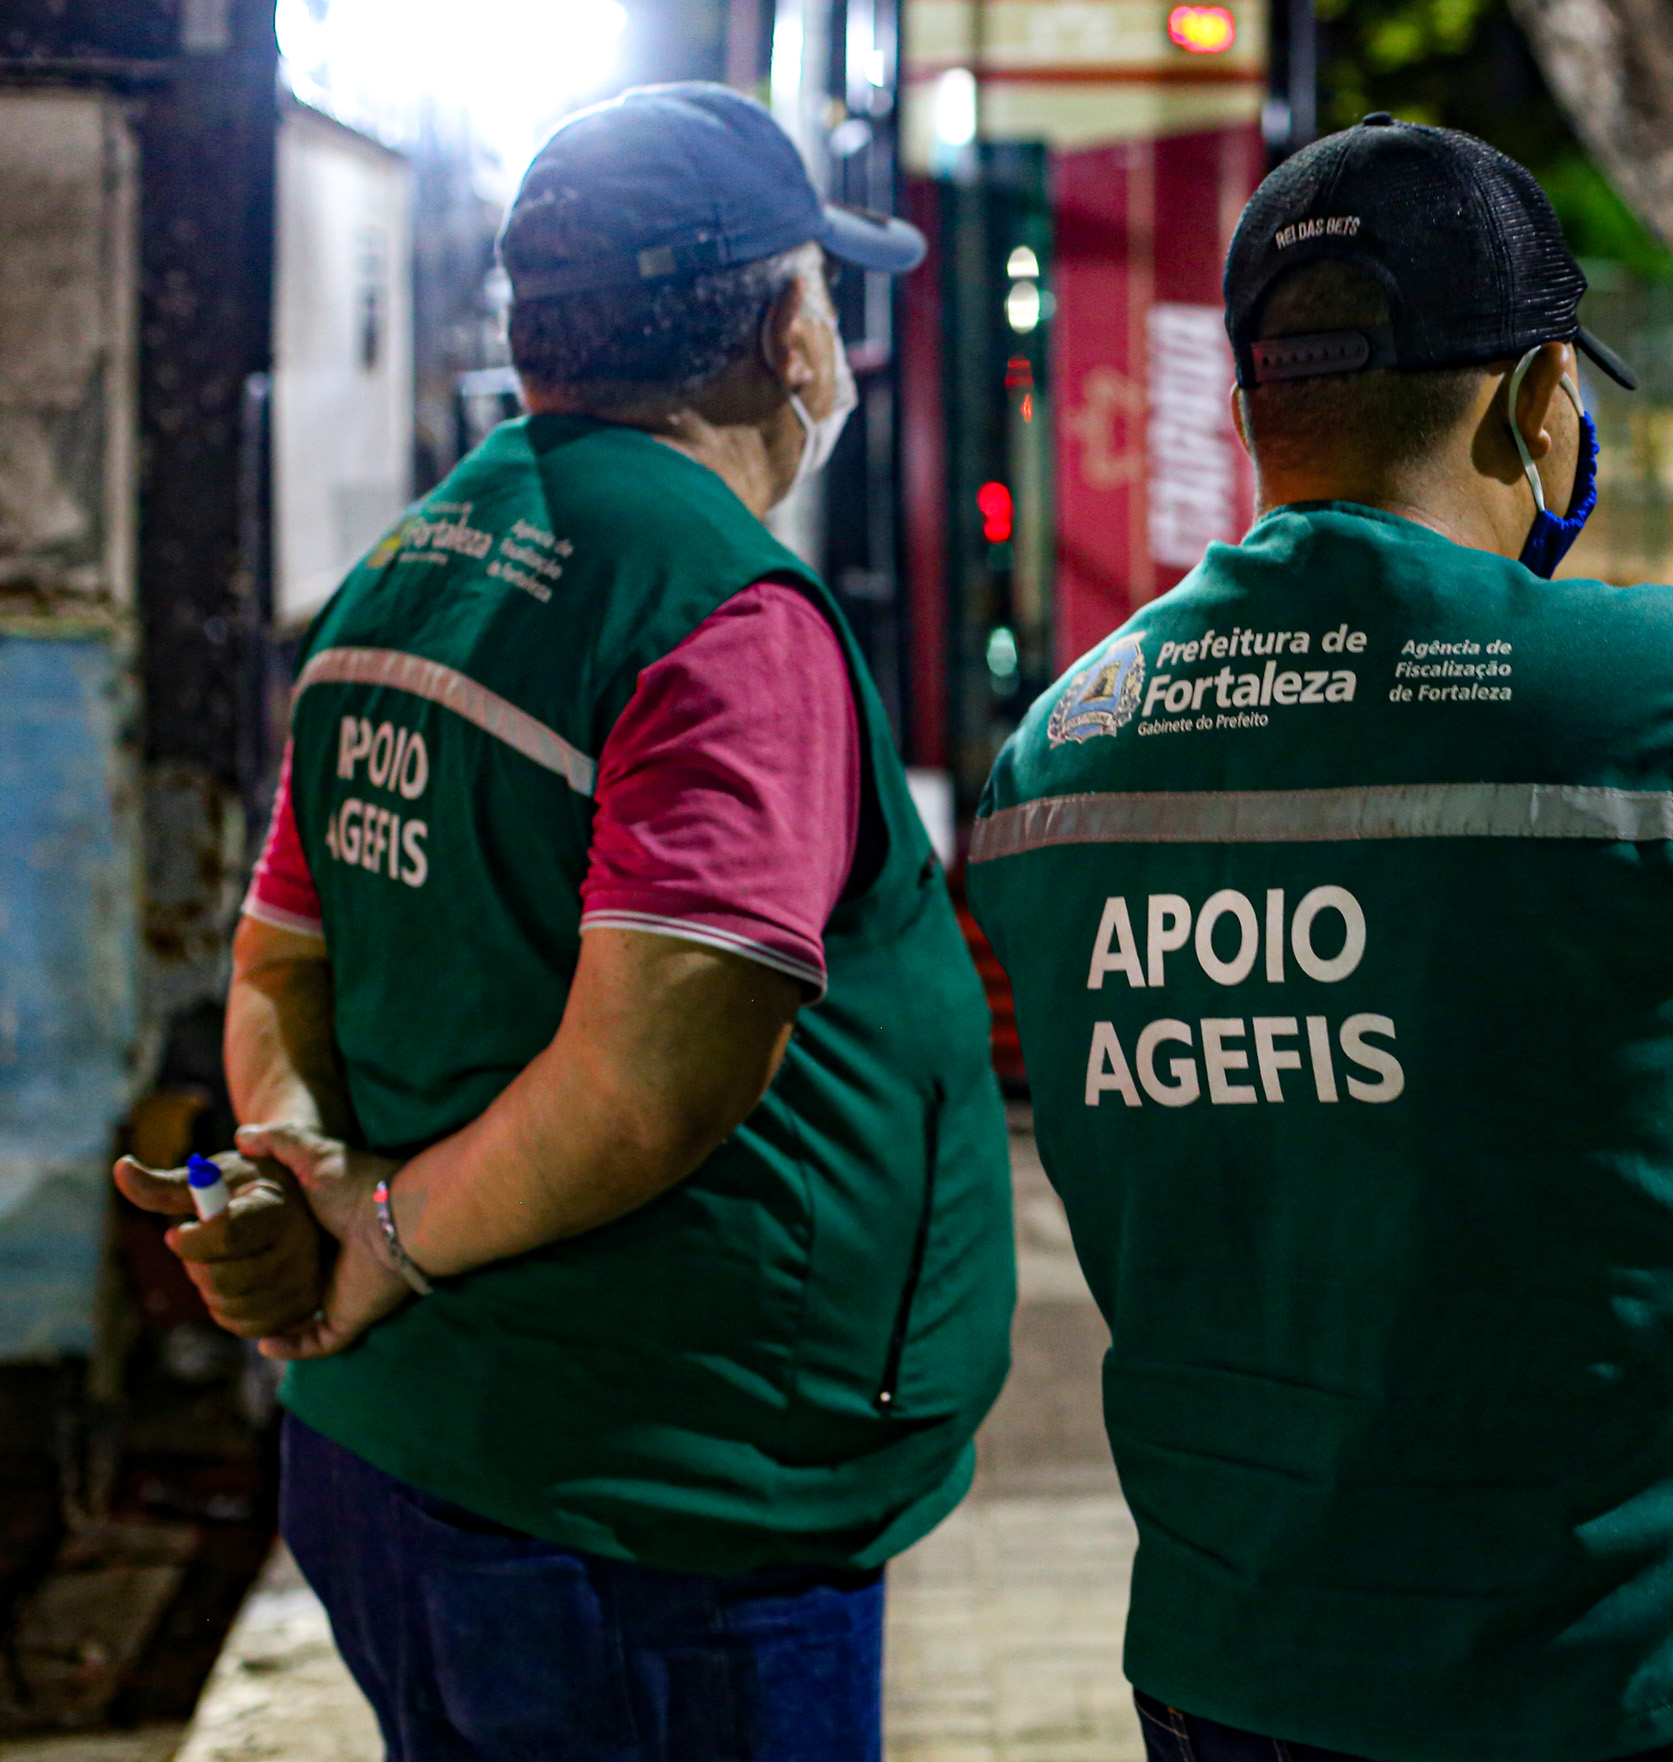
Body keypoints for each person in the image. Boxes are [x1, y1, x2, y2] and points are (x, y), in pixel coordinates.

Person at [966, 116, 1673, 1762]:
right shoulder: (1663, 689)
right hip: (1663, 1672)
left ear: (1256, 411)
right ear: (1538, 400)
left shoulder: (1058, 749)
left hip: (1250, 1665)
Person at [110, 85, 1016, 1759]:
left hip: (408, 1466)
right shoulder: (716, 611)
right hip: (652, 1506)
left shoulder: (417, 561)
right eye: (826, 299)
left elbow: (282, 948)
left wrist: (307, 1167)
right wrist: (368, 1239)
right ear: (777, 327)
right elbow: (647, 1078)